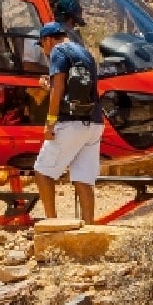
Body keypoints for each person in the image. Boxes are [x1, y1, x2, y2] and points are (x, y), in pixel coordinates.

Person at [35, 21, 101, 221]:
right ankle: (90, 227)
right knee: (83, 179)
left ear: (48, 40)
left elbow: (59, 88)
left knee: (43, 173)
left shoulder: (58, 51)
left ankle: (52, 224)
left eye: (42, 45)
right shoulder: (84, 52)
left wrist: (50, 122)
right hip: (94, 123)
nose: (44, 51)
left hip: (70, 122)